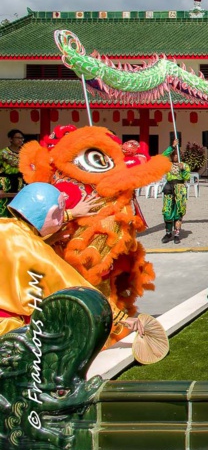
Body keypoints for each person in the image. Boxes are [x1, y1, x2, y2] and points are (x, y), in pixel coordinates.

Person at [0, 183, 138, 336]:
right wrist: (119, 317)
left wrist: (69, 214)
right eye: (60, 212)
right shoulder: (38, 252)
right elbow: (75, 285)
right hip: (9, 329)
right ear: (52, 214)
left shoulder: (4, 226)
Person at [161, 138, 191, 244]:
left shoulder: (184, 165)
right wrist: (172, 147)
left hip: (180, 190)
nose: (174, 156)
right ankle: (168, 232)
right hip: (169, 188)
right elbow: (161, 157)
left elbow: (187, 177)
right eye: (173, 154)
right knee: (167, 212)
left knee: (179, 213)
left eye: (176, 154)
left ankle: (177, 234)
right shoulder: (167, 165)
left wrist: (182, 169)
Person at [0, 129, 26, 217]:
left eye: (22, 138)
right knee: (3, 207)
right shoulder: (3, 153)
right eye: (18, 138)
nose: (20, 140)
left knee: (17, 208)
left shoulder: (25, 154)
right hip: (5, 182)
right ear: (11, 139)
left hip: (19, 182)